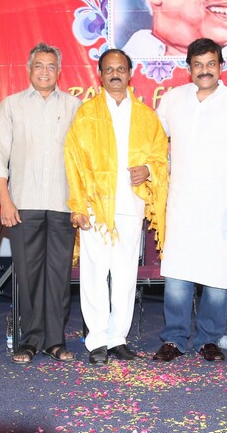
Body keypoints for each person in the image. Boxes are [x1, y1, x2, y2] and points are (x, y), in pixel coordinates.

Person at [152, 38, 227, 362]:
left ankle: (209, 339)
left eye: (210, 64)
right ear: (189, 69)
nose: (204, 71)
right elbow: (154, 145)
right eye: (197, 65)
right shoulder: (172, 101)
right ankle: (174, 339)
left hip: (223, 206)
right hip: (182, 205)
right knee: (177, 276)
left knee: (216, 275)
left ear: (221, 66)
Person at [64, 49, 169, 365]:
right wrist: (79, 205)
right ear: (100, 74)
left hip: (131, 205)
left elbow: (160, 157)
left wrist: (148, 171)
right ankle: (96, 340)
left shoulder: (146, 116)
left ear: (130, 72)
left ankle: (117, 339)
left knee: (125, 274)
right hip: (97, 207)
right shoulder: (87, 114)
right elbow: (74, 161)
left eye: (120, 69)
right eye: (108, 69)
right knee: (96, 273)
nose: (115, 74)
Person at [0, 43, 81, 364]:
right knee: (27, 276)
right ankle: (29, 341)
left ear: (59, 71)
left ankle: (55, 341)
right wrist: (5, 201)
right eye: (39, 66)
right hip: (23, 203)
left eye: (51, 66)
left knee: (58, 276)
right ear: (29, 70)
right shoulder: (11, 105)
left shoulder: (74, 106)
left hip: (62, 204)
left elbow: (81, 160)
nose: (44, 71)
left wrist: (80, 202)